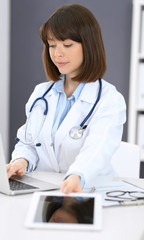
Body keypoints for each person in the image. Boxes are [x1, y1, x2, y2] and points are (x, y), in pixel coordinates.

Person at [7, 4, 126, 194]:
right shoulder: (41, 94)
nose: (57, 53)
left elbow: (97, 149)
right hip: (44, 191)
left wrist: (77, 174)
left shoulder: (109, 100)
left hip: (88, 191)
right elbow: (29, 143)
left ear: (88, 45)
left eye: (67, 45)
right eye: (52, 45)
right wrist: (21, 161)